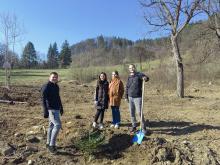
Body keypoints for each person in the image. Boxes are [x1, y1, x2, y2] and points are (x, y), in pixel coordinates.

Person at [41, 72, 63, 154]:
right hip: (51, 109)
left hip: (56, 108)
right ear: (49, 77)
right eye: (53, 77)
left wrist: (61, 107)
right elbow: (43, 99)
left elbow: (58, 97)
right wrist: (45, 110)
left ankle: (48, 143)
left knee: (51, 126)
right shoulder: (46, 86)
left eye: (56, 77)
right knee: (57, 125)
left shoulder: (56, 86)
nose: (55, 78)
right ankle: (51, 145)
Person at [125, 64, 149, 134]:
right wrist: (126, 96)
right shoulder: (129, 77)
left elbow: (146, 78)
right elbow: (127, 87)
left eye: (132, 67)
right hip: (130, 97)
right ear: (129, 69)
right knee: (132, 112)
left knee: (139, 112)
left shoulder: (139, 74)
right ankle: (134, 126)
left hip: (138, 97)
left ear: (134, 68)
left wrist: (145, 78)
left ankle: (144, 128)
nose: (131, 69)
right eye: (130, 68)